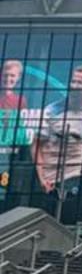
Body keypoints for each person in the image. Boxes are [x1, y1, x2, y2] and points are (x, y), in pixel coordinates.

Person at [33, 65, 82, 224]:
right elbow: (36, 144)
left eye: (80, 82)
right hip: (49, 175)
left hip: (75, 175)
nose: (74, 85)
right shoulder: (52, 109)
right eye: (73, 81)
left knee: (68, 220)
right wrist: (41, 176)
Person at [0, 58, 31, 199]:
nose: (8, 78)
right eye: (5, 74)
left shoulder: (20, 100)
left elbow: (21, 125)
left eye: (12, 75)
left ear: (18, 78)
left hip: (6, 148)